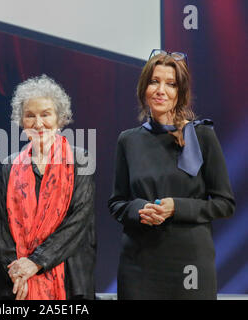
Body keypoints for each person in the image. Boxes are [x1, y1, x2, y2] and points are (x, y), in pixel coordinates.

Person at [108, 49, 235, 300]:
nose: (160, 90)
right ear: (144, 88)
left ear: (181, 93)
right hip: (139, 265)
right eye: (154, 81)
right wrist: (140, 210)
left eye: (171, 84)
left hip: (190, 264)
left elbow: (224, 204)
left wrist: (175, 207)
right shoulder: (128, 140)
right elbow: (117, 203)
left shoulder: (201, 136)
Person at [0, 75, 96, 300]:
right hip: (17, 283)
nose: (38, 123)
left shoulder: (81, 160)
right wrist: (17, 272)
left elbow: (78, 222)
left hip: (69, 278)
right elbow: (3, 230)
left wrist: (36, 262)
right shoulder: (8, 166)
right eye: (30, 116)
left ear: (60, 118)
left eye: (46, 114)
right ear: (21, 121)